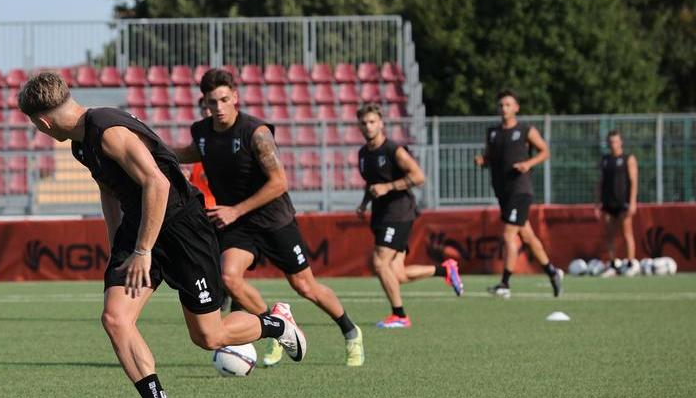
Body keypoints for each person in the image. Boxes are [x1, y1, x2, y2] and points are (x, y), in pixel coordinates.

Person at [17, 72, 306, 398]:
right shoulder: (81, 144)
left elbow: (158, 183)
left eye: (33, 125)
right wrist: (116, 244)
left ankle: (276, 323)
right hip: (141, 230)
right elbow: (110, 191)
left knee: (209, 336)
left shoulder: (108, 130)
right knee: (115, 318)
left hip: (183, 230)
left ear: (42, 122)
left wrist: (142, 251)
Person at [176, 68, 365, 367]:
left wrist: (236, 209)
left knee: (305, 286)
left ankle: (351, 331)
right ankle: (277, 326)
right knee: (229, 278)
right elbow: (191, 152)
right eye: (213, 102)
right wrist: (156, 152)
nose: (219, 107)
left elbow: (279, 182)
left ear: (235, 97)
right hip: (238, 225)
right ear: (205, 103)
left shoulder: (256, 132)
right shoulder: (202, 133)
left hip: (274, 220)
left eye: (225, 99)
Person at [354, 104, 463, 328]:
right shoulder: (364, 154)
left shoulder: (394, 150)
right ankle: (446, 269)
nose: (368, 126)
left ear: (381, 123)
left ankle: (400, 316)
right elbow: (371, 182)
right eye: (364, 123)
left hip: (399, 212)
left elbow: (419, 176)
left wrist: (389, 187)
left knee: (379, 262)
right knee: (398, 274)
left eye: (372, 121)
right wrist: (364, 203)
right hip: (381, 214)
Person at [473, 90, 563, 298]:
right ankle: (551, 272)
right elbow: (490, 157)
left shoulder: (525, 130)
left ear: (516, 108)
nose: (504, 108)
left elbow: (545, 151)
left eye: (508, 105)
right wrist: (482, 161)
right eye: (501, 105)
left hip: (520, 191)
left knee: (508, 235)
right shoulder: (493, 133)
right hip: (502, 192)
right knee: (528, 237)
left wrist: (527, 164)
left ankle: (504, 284)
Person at [597, 130, 638, 269]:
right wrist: (597, 202)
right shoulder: (605, 159)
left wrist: (632, 202)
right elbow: (600, 181)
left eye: (615, 141)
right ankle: (613, 262)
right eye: (610, 141)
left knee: (627, 232)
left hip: (623, 202)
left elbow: (633, 181)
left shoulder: (628, 159)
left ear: (621, 142)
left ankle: (630, 262)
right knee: (609, 234)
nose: (613, 144)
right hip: (608, 202)